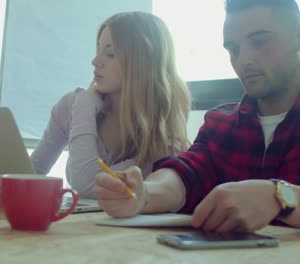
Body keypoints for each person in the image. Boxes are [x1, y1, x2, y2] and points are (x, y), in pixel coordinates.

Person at [94, 0, 300, 232]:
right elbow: (184, 175)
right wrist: (142, 194)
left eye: (260, 42)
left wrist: (280, 197)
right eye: (233, 49)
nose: (243, 60)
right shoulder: (221, 125)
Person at [30, 11, 191, 198]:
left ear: (142, 64)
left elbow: (89, 184)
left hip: (124, 227)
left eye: (110, 54)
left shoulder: (162, 137)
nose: (95, 61)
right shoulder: (70, 105)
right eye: (98, 50)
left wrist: (84, 104)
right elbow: (29, 172)